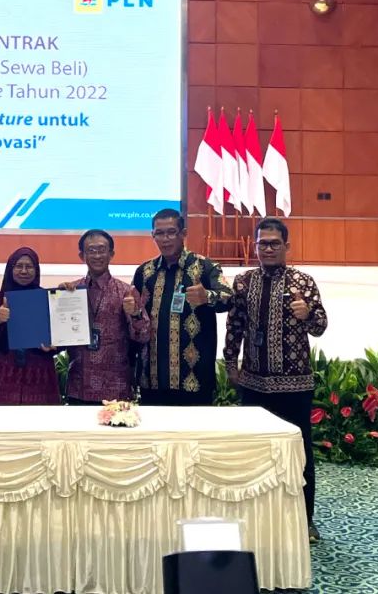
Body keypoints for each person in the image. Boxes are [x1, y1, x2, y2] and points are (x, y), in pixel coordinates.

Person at [224, 218, 328, 542]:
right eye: (262, 243)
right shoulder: (243, 282)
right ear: (255, 246)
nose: (268, 249)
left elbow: (321, 326)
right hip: (254, 384)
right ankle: (255, 516)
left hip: (295, 386)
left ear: (286, 246)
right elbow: (234, 326)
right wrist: (230, 363)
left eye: (274, 243)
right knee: (253, 453)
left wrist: (306, 314)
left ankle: (305, 520)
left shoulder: (302, 282)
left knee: (299, 454)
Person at [131, 208, 232, 405]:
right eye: (159, 233)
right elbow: (136, 320)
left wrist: (207, 296)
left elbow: (230, 298)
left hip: (194, 379)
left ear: (183, 233)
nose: (165, 239)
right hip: (153, 379)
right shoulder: (144, 272)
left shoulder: (205, 267)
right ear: (153, 236)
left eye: (171, 232)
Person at [61, 230, 150, 404]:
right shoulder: (71, 292)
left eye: (102, 250)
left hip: (115, 388)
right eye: (91, 250)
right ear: (82, 256)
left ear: (111, 254)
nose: (97, 256)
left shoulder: (126, 292)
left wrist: (136, 314)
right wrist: (59, 303)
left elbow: (144, 336)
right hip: (78, 387)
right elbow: (60, 338)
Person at [0, 247, 61, 405]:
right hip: (3, 374)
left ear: (36, 270)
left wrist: (55, 346)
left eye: (29, 266)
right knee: (1, 419)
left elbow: (61, 333)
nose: (24, 271)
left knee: (39, 419)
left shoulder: (48, 299)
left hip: (40, 375)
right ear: (10, 269)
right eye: (19, 266)